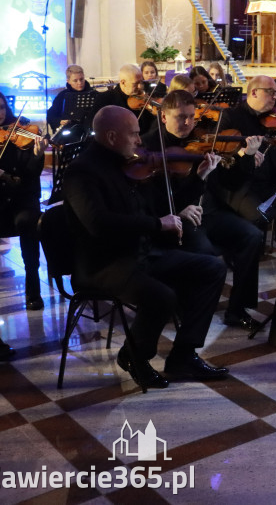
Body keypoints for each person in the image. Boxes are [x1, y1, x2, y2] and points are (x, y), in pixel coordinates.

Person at [64, 106, 229, 388]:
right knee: (162, 296)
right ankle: (135, 356)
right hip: (103, 263)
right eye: (134, 134)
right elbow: (98, 223)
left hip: (141, 253)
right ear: (112, 136)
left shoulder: (128, 163)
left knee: (212, 266)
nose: (140, 141)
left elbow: (164, 208)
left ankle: (184, 355)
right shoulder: (82, 171)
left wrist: (198, 178)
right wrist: (156, 225)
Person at [140, 91, 263, 330]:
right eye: (180, 117)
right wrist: (180, 208)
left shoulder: (201, 142)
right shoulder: (150, 146)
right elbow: (150, 199)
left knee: (252, 236)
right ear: (163, 117)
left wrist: (244, 157)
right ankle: (191, 313)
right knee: (205, 252)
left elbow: (229, 183)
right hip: (179, 217)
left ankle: (237, 309)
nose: (188, 123)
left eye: (191, 117)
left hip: (210, 212)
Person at [207, 76, 276, 282]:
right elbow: (219, 151)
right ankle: (238, 251)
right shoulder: (231, 116)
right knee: (259, 214)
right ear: (253, 92)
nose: (275, 98)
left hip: (271, 184)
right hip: (241, 186)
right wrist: (244, 153)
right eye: (271, 92)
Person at [0, 88, 47, 316]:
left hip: (22, 198)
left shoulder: (20, 130)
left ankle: (33, 287)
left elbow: (30, 175)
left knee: (28, 222)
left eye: (2, 107)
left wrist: (38, 155)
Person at [100, 64, 154, 132]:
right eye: (135, 84)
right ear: (123, 83)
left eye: (141, 82)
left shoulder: (143, 99)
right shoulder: (105, 99)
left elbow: (152, 125)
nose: (140, 87)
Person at [46, 64, 95, 132]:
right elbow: (51, 115)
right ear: (68, 81)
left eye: (81, 79)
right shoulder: (62, 95)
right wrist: (59, 121)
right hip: (69, 132)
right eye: (75, 80)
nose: (79, 83)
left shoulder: (93, 93)